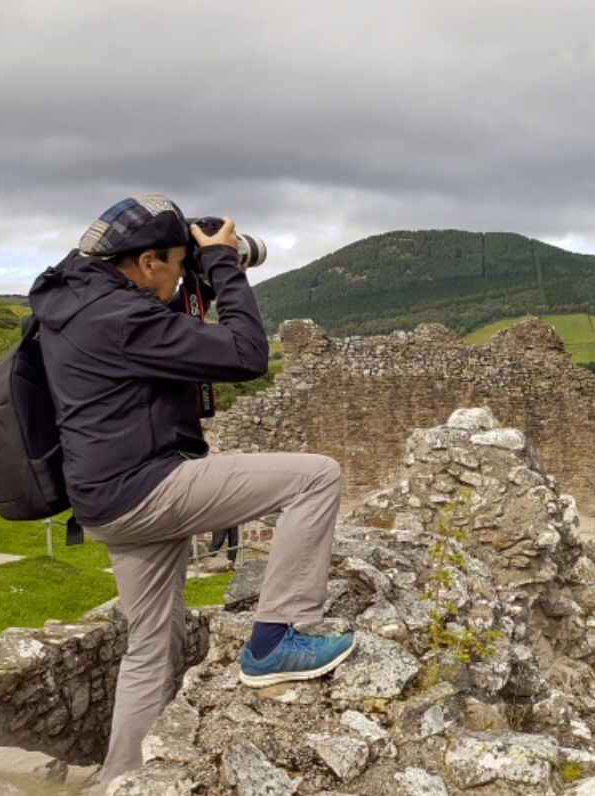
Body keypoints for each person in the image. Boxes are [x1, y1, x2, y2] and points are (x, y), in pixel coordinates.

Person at [28, 194, 354, 789]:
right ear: (147, 261)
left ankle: (122, 781)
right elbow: (247, 355)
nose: (184, 272)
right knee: (316, 475)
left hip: (102, 501)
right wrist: (224, 267)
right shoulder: (124, 318)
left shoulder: (73, 303)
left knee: (151, 647)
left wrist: (195, 275)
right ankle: (276, 639)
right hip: (147, 488)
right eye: (178, 262)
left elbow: (152, 342)